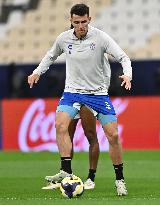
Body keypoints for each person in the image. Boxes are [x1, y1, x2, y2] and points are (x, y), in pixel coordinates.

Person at [28, 3, 132, 196]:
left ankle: (120, 180)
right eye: (77, 22)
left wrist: (128, 75)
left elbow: (123, 57)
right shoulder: (64, 38)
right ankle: (66, 171)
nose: (81, 25)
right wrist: (36, 73)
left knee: (113, 136)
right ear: (71, 21)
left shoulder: (100, 37)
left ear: (89, 20)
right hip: (72, 92)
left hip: (98, 93)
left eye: (84, 21)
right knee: (60, 126)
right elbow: (50, 56)